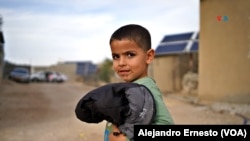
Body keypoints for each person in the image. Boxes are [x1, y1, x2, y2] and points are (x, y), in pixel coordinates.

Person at [105, 24, 174, 141]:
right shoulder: (132, 87)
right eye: (116, 56)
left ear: (149, 56)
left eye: (130, 55)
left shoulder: (145, 88)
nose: (121, 62)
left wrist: (124, 139)